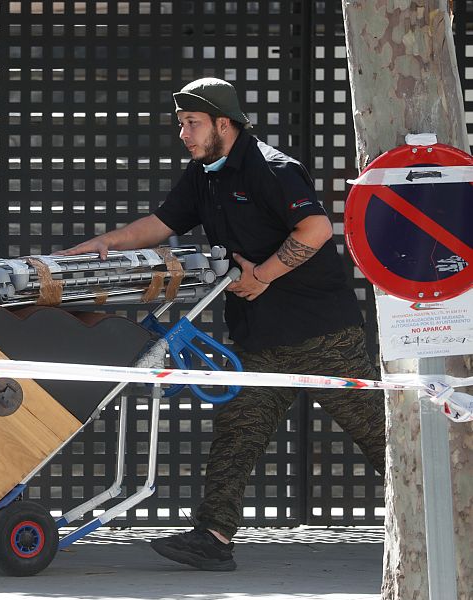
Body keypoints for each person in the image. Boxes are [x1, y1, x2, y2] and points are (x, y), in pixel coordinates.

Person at [56, 77, 386, 571]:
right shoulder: (203, 174)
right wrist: (108, 242)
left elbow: (316, 227)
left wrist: (263, 276)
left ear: (224, 124)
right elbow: (161, 223)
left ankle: (448, 517)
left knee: (380, 437)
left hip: (323, 336)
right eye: (181, 124)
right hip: (262, 338)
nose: (183, 134)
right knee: (237, 435)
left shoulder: (272, 168)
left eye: (192, 123)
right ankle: (213, 537)